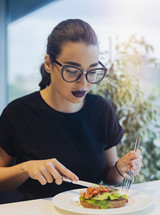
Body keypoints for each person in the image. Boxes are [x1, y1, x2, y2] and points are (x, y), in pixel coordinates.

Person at [0, 19, 142, 201]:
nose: (84, 83)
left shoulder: (101, 110)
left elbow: (109, 177)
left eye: (92, 71)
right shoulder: (18, 113)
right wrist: (26, 168)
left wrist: (119, 169)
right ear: (49, 64)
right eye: (72, 70)